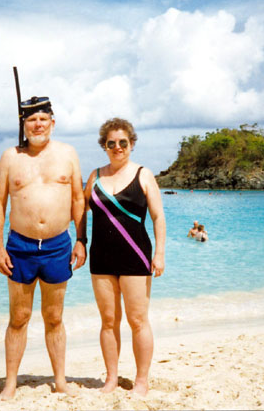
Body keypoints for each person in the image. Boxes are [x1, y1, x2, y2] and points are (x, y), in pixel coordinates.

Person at [0, 96, 87, 399]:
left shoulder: (68, 154)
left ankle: (60, 380)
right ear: (23, 124)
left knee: (54, 317)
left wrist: (82, 240)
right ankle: (10, 384)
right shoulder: (11, 156)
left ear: (53, 123)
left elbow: (77, 200)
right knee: (19, 317)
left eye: (43, 119)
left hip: (58, 245)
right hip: (19, 246)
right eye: (31, 120)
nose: (37, 125)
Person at [82, 117, 166, 396]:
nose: (117, 147)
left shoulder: (143, 174)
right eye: (111, 143)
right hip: (101, 258)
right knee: (108, 320)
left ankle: (141, 380)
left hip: (136, 256)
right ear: (104, 145)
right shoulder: (95, 176)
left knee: (138, 320)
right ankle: (111, 379)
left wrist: (160, 253)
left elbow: (158, 216)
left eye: (123, 142)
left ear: (131, 144)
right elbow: (79, 210)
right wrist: (79, 240)